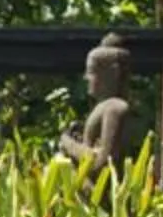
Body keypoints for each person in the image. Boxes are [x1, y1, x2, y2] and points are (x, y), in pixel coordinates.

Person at [57, 33, 138, 171]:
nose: (86, 78)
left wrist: (69, 144)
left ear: (114, 73)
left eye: (91, 71)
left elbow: (104, 164)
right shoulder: (105, 107)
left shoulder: (115, 108)